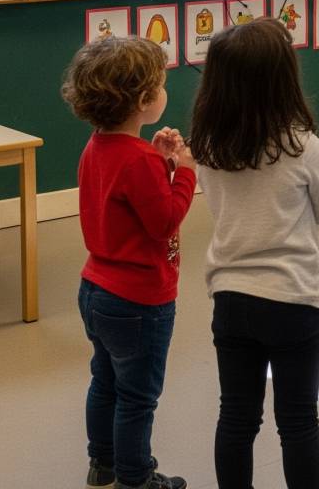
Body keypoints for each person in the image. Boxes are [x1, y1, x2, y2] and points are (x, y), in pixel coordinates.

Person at [188, 19, 319, 489]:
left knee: (235, 416)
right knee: (298, 422)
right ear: (284, 78)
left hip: (231, 297)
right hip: (293, 299)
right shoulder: (302, 145)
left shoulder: (209, 145)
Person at [62, 36, 196, 489]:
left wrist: (162, 164)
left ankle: (103, 466)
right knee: (138, 399)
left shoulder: (97, 146)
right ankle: (137, 480)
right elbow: (164, 222)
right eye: (160, 84)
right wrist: (185, 171)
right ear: (143, 100)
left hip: (96, 290)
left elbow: (126, 200)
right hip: (140, 301)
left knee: (104, 382)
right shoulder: (140, 161)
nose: (164, 90)